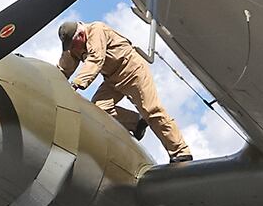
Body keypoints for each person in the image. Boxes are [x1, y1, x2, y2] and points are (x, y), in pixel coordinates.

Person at [58, 20, 192, 163]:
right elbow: (64, 67)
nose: (73, 49)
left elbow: (96, 59)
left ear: (80, 35)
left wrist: (76, 84)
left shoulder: (96, 30)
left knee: (152, 110)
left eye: (73, 45)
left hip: (133, 70)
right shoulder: (74, 46)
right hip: (112, 79)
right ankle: (137, 123)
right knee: (98, 110)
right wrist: (56, 82)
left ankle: (180, 152)